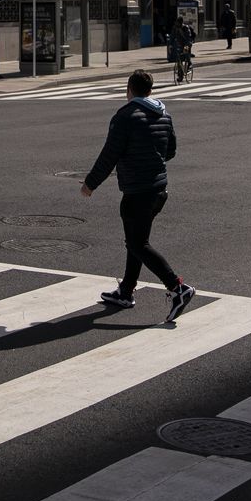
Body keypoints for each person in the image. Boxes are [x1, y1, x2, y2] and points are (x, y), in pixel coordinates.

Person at [80, 69, 196, 323]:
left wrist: (90, 183)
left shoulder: (126, 116)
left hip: (137, 191)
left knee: (137, 243)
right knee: (137, 240)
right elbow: (171, 150)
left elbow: (109, 154)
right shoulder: (164, 114)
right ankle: (126, 291)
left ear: (129, 89)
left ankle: (177, 288)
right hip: (159, 189)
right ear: (150, 90)